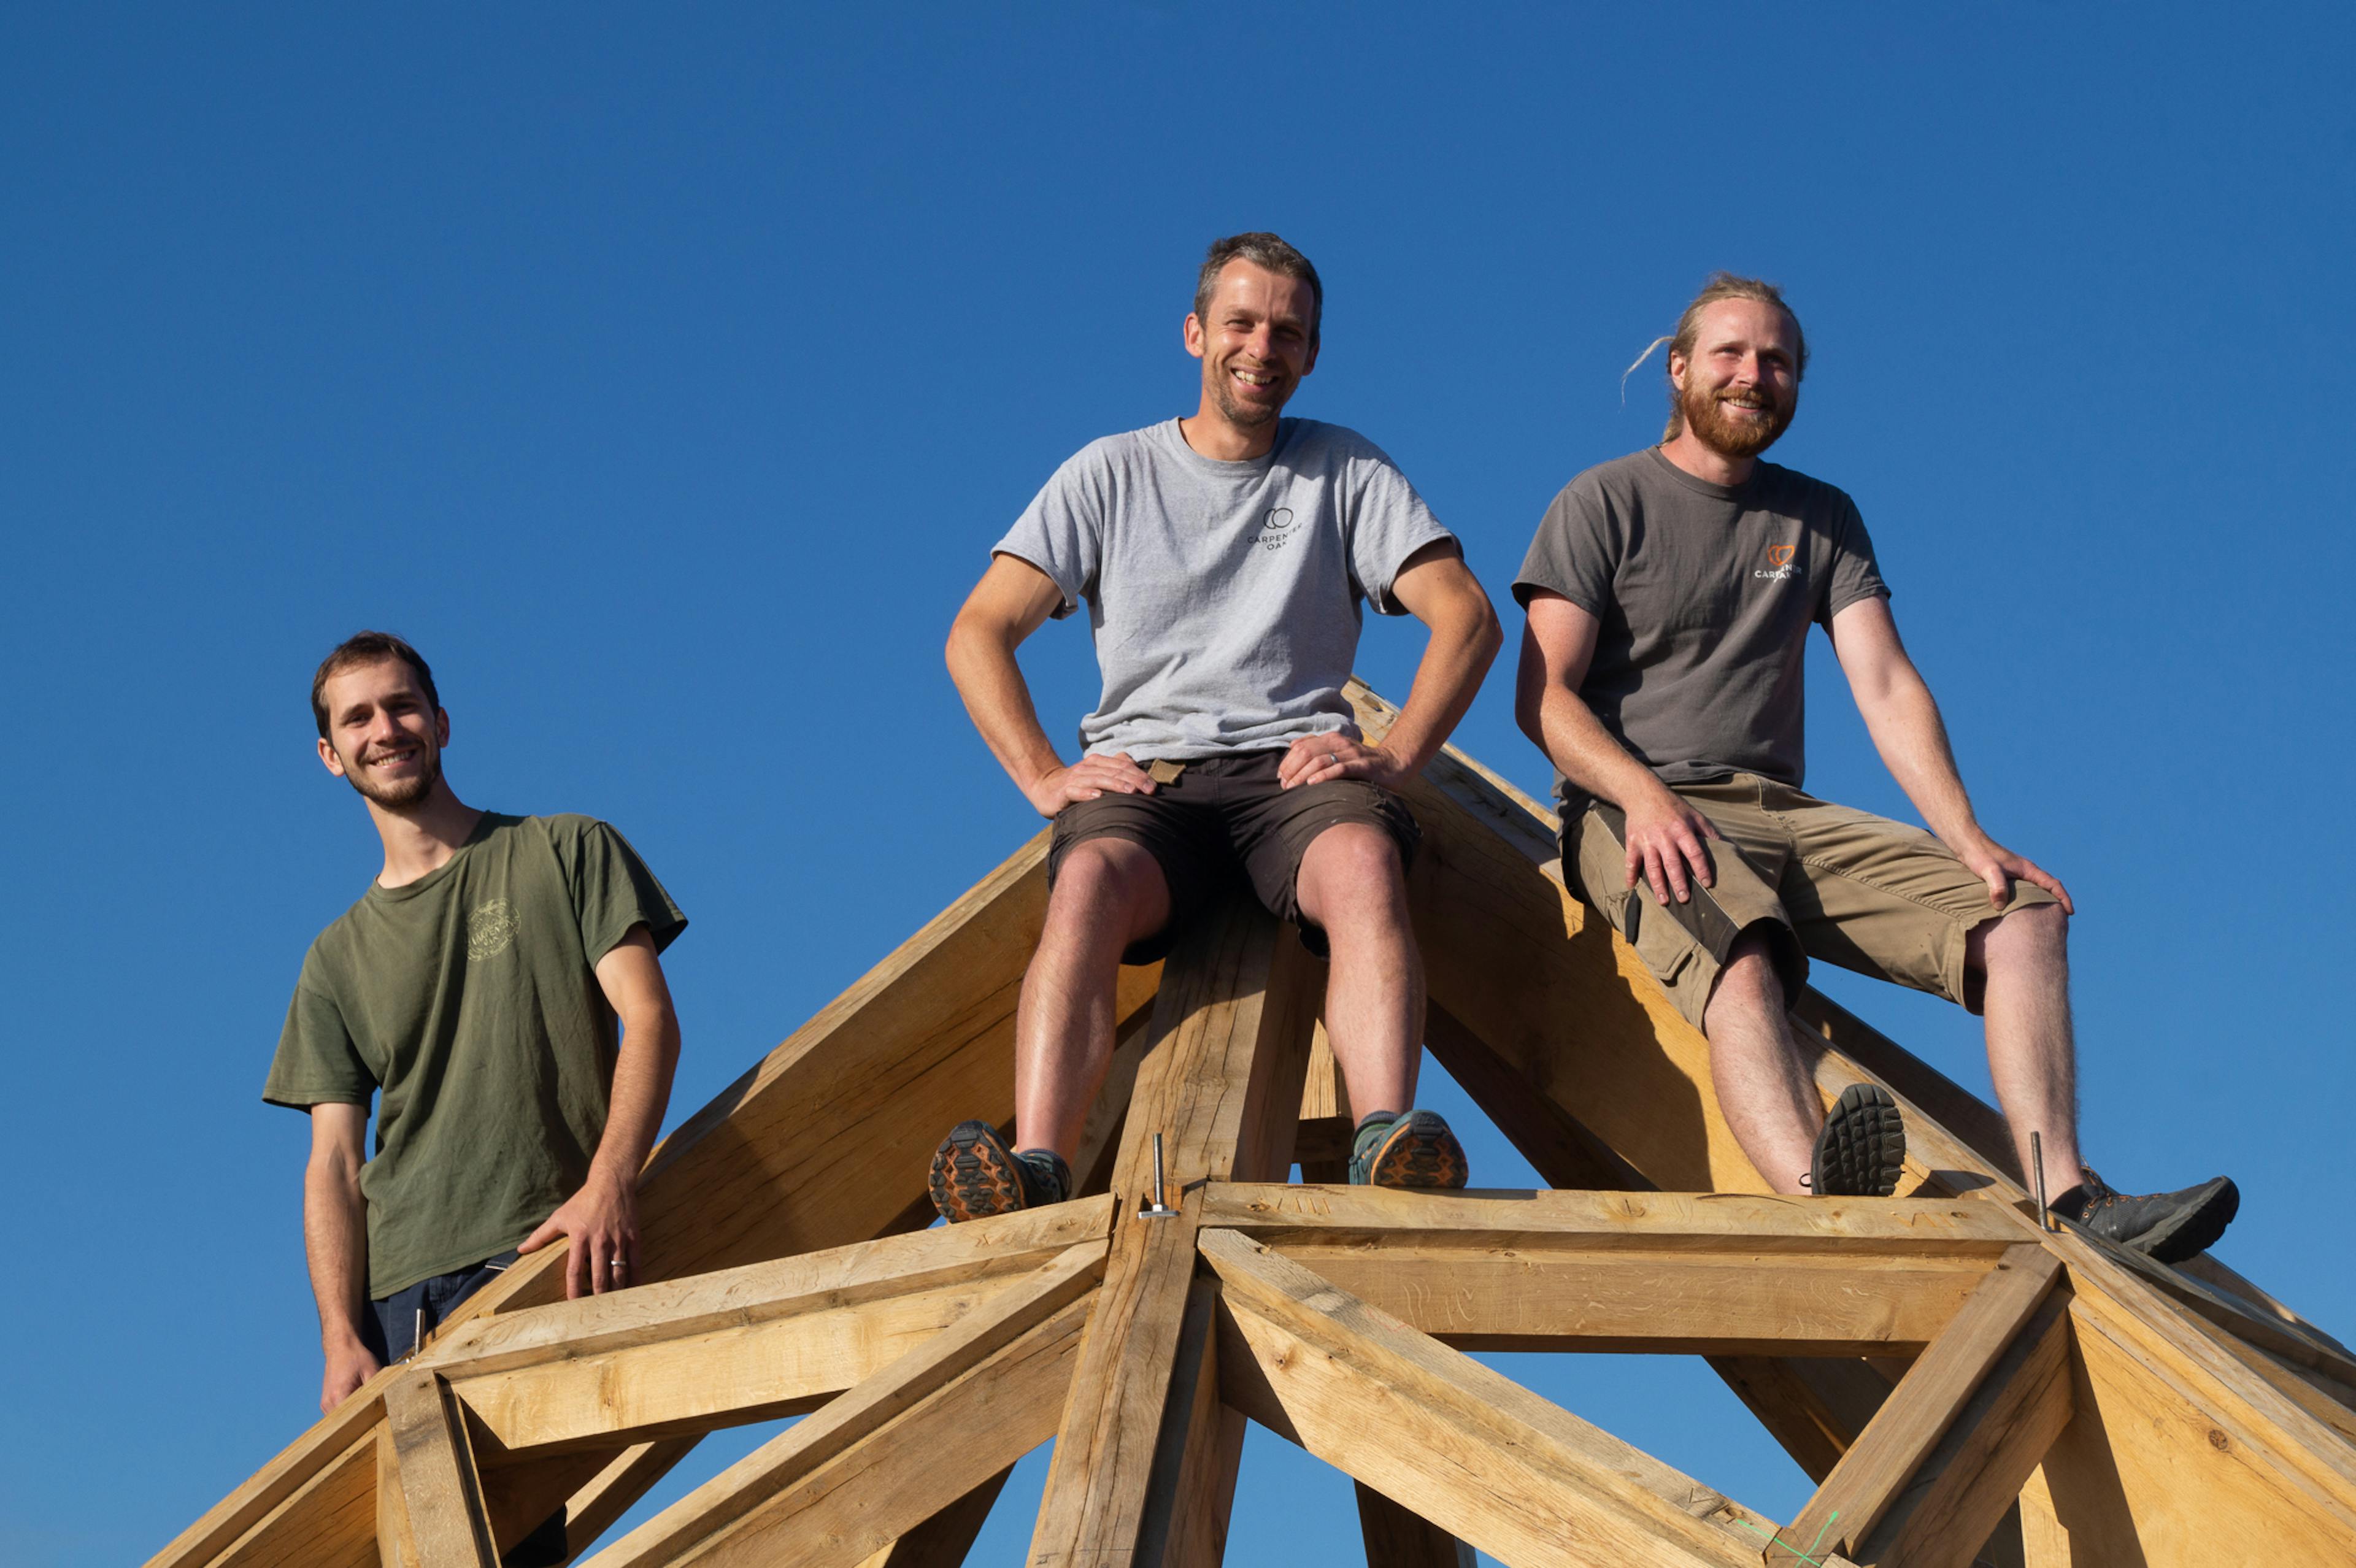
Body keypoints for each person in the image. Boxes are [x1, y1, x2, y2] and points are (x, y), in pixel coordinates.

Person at [1512, 274, 2236, 1262]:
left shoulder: (1821, 517)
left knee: (2022, 914)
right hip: (1636, 804)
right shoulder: (1603, 500)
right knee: (1746, 947)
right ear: (1678, 369)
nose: (1752, 375)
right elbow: (1541, 697)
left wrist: (1966, 836)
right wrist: (1639, 796)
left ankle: (2071, 1195)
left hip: (1783, 810)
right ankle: (1829, 1200)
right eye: (1728, 354)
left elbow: (1886, 683)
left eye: (1775, 361)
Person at [929, 232, 1502, 1221]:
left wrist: (1398, 751)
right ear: (1196, 333)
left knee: (1364, 860)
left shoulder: (1343, 469)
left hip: (1294, 775)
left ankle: (1385, 1142)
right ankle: (1034, 1167)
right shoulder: (1109, 473)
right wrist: (1042, 776)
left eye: (1288, 331)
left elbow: (1469, 615)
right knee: (1088, 884)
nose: (1262, 346)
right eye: (1241, 322)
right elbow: (978, 630)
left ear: (1311, 354)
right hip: (1150, 780)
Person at [264, 631, 687, 1450]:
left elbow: (652, 1021)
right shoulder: (333, 957)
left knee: (531, 1523)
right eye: (358, 719)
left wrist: (612, 1183)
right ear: (331, 754)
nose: (384, 729)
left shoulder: (565, 849)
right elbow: (334, 1164)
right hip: (397, 1297)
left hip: (546, 1243)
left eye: (402, 705)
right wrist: (338, 1335)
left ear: (441, 722)